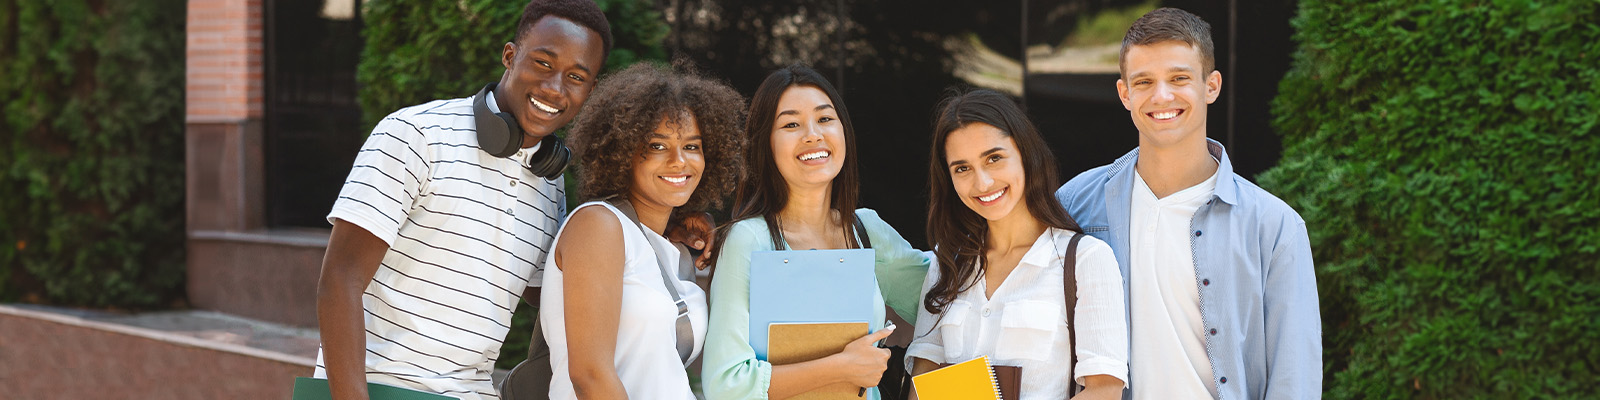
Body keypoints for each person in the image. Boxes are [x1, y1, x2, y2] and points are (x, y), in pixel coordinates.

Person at [314, 2, 715, 399]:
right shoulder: (415, 136)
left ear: (590, 90)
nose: (554, 88)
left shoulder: (549, 183)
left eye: (576, 76)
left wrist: (658, 232)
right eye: (543, 63)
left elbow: (574, 293)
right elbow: (340, 280)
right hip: (384, 387)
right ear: (510, 55)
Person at [1053, 8, 1321, 399]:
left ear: (1211, 86)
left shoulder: (1274, 226)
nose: (1162, 96)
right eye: (1144, 81)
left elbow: (1293, 379)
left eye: (1178, 78)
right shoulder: (1075, 203)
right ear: (1124, 94)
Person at [701, 63, 931, 400]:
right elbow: (727, 384)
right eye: (791, 124)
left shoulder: (867, 231)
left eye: (825, 119)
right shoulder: (750, 240)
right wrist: (843, 366)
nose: (813, 134)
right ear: (766, 144)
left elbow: (946, 301)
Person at [538, 62, 747, 399]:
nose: (680, 161)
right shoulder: (598, 225)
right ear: (622, 153)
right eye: (657, 146)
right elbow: (589, 376)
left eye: (692, 146)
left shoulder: (670, 248)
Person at [908, 89, 1128, 400]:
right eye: (962, 168)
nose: (982, 183)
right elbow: (923, 383)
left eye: (994, 158)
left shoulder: (1085, 260)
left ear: (1025, 153)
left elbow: (1104, 390)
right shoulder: (947, 262)